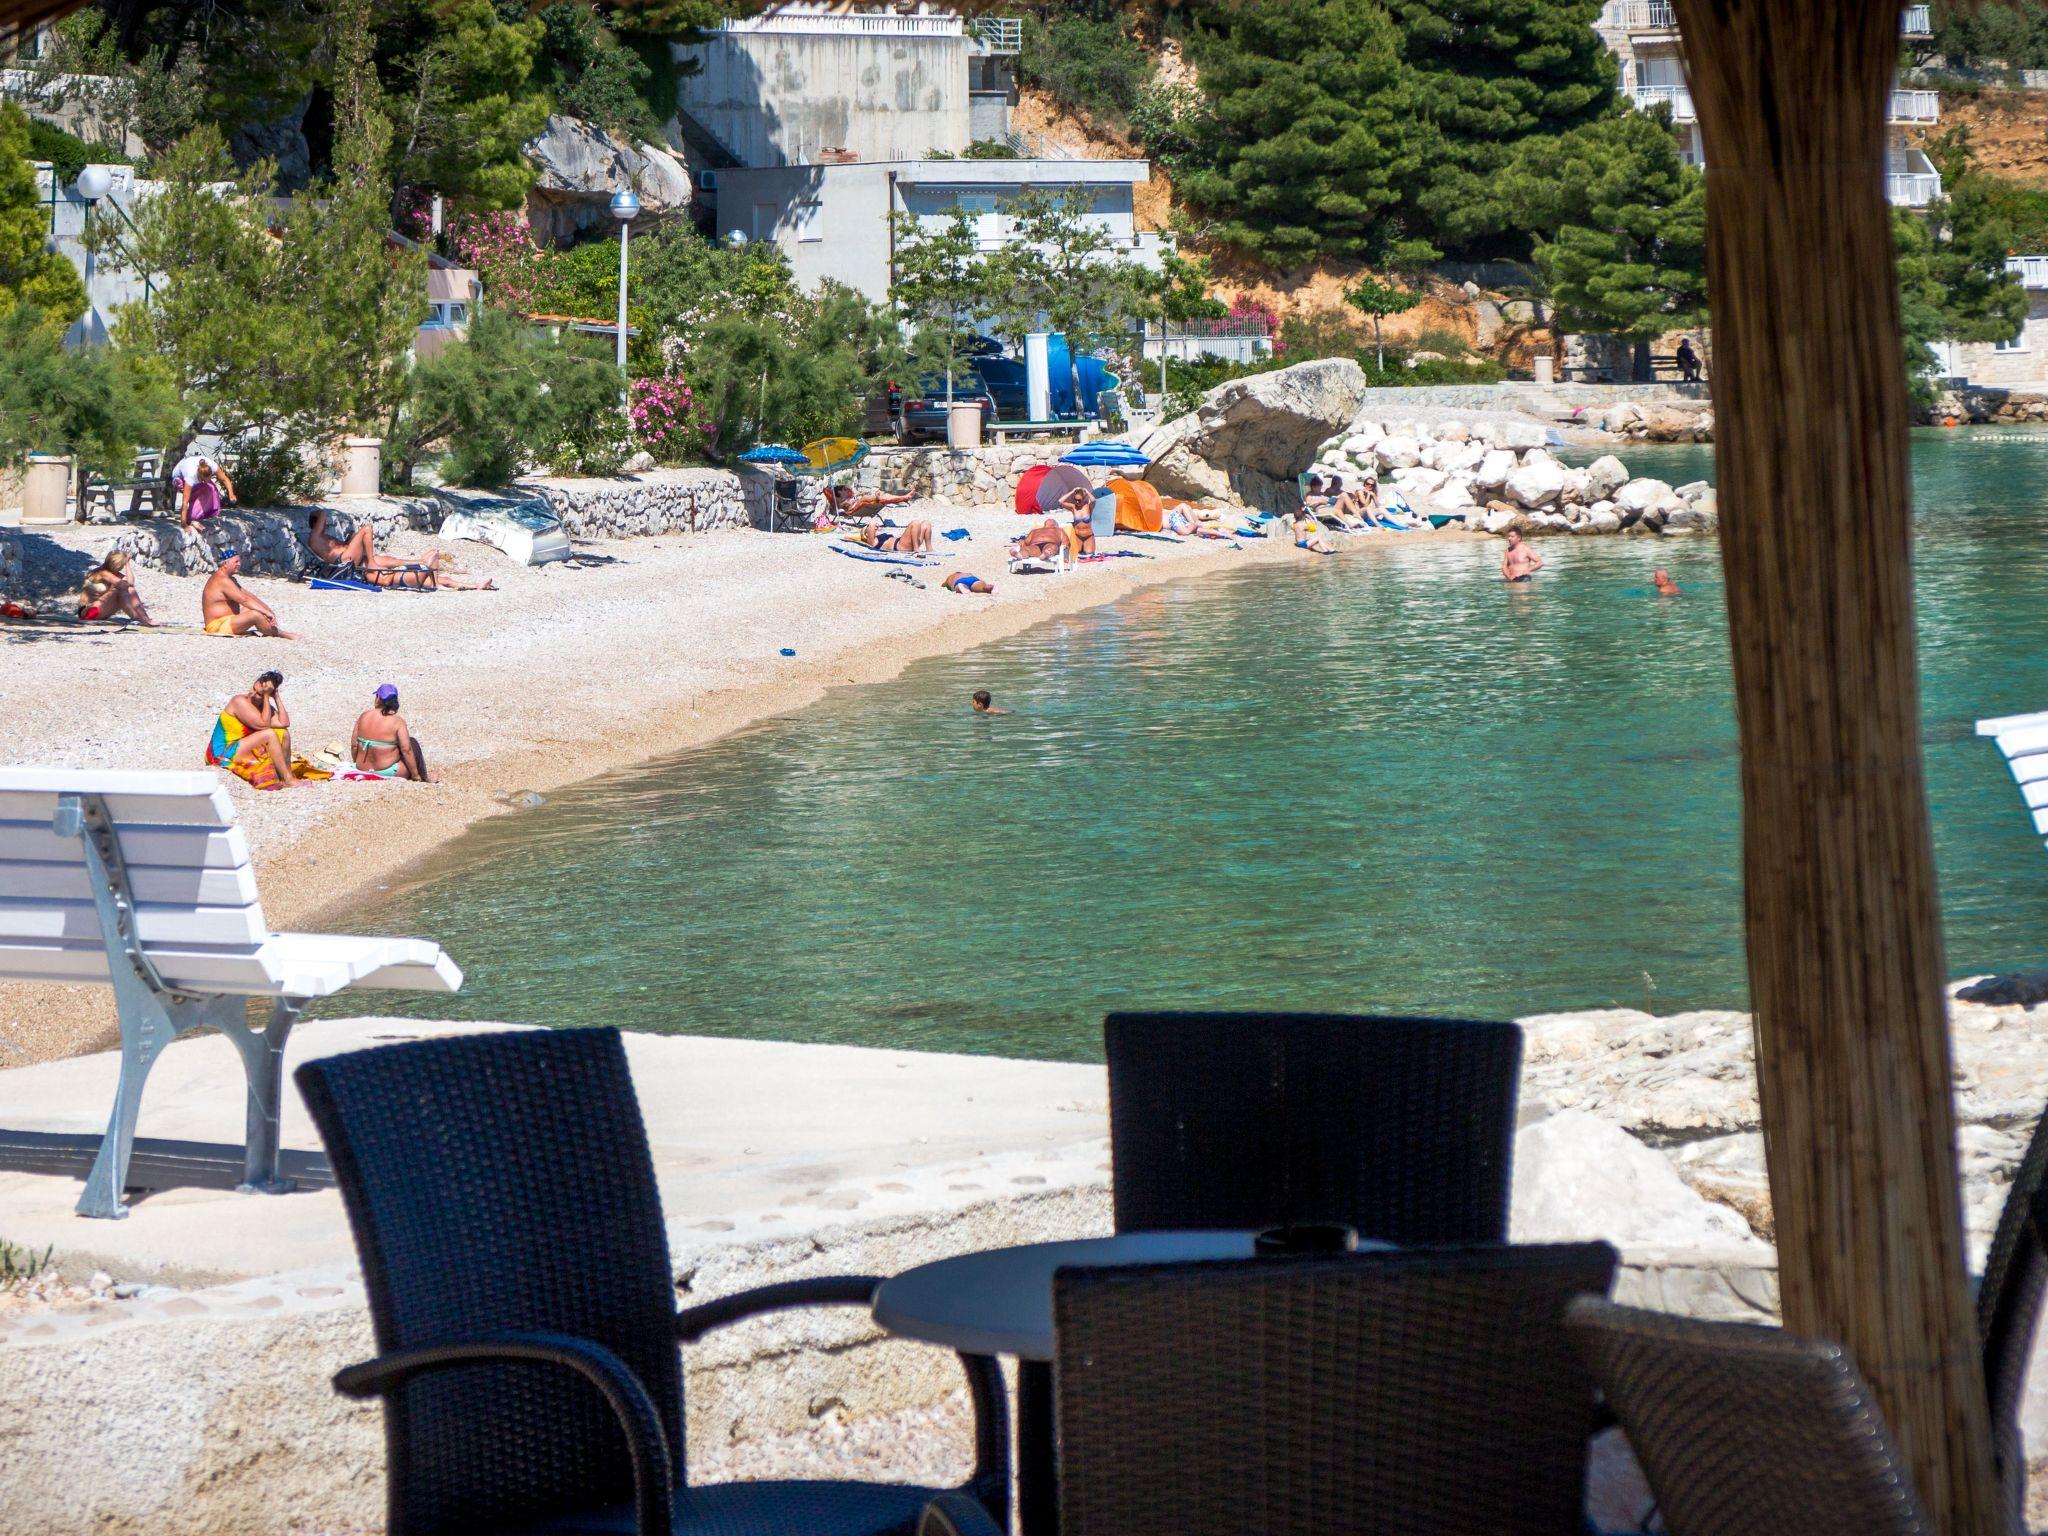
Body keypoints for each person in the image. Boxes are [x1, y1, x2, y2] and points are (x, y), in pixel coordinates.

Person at [307, 507, 493, 590]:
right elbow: (321, 513)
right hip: (345, 562)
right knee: (367, 529)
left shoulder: (326, 538)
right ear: (316, 525)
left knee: (389, 560)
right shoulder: (315, 538)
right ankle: (374, 561)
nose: (326, 525)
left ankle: (474, 586)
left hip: (354, 561)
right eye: (322, 523)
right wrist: (314, 513)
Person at [210, 669, 305, 787]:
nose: (252, 694)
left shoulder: (263, 707)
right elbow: (264, 725)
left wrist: (276, 697)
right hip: (223, 751)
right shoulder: (239, 701)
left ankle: (286, 776)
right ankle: (288, 780)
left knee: (283, 733)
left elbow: (284, 723)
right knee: (269, 734)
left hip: (241, 746)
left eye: (259, 694)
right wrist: (266, 696)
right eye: (253, 688)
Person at [351, 683, 438, 781]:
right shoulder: (398, 721)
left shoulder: (363, 716)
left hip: (362, 768)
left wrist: (357, 763)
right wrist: (415, 775)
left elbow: (354, 746)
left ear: (378, 698)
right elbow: (406, 750)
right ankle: (423, 777)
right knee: (412, 743)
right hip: (387, 771)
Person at [202, 552, 298, 637]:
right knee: (255, 615)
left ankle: (268, 628)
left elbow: (249, 596)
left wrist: (268, 610)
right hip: (217, 626)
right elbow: (243, 600)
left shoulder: (230, 579)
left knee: (256, 608)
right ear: (226, 564)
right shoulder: (222, 580)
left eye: (239, 561)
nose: (239, 564)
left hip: (229, 619)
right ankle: (283, 634)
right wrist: (266, 612)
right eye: (236, 562)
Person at [77, 550, 156, 625]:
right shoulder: (102, 573)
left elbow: (131, 583)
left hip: (99, 610)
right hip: (88, 612)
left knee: (129, 589)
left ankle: (144, 618)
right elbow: (124, 585)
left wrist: (127, 564)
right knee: (120, 590)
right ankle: (137, 618)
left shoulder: (112, 573)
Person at [176, 458, 235, 528]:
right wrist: (183, 524)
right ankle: (191, 518)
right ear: (200, 476)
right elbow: (185, 502)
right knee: (203, 489)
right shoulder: (190, 477)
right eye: (204, 480)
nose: (207, 480)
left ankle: (210, 513)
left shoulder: (212, 466)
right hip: (179, 478)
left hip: (194, 473)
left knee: (212, 488)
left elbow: (225, 479)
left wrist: (231, 494)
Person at [1056, 485, 1098, 557]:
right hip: (1077, 536)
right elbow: (1060, 501)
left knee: (1089, 553)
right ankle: (1080, 546)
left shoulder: (1088, 507)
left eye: (1079, 500)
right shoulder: (1073, 507)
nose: (1077, 502)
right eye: (1075, 500)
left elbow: (1093, 500)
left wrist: (1087, 491)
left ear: (1084, 498)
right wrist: (1072, 491)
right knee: (1076, 553)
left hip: (1088, 536)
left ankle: (1085, 546)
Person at [858, 519, 936, 554]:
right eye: (868, 527)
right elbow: (871, 526)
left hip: (906, 543)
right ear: (867, 534)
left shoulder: (878, 537)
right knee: (915, 523)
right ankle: (916, 550)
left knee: (926, 523)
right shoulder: (872, 542)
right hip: (899, 546)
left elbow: (872, 527)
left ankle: (929, 549)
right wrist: (869, 526)